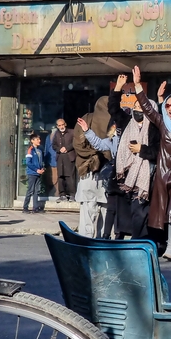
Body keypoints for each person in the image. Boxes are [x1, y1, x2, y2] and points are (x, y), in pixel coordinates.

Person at [132, 66, 171, 261]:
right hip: (163, 172)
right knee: (162, 211)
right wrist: (137, 85)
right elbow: (148, 109)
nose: (169, 109)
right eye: (167, 106)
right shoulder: (163, 124)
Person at [111, 74, 160, 240]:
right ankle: (136, 238)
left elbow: (157, 151)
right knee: (133, 211)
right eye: (135, 106)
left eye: (141, 107)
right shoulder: (127, 122)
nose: (137, 110)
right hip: (128, 177)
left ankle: (139, 240)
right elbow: (114, 109)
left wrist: (142, 149)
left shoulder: (154, 128)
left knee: (141, 210)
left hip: (147, 176)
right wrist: (118, 87)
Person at [72, 97, 111, 238]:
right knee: (102, 208)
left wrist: (92, 155)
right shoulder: (113, 123)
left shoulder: (87, 119)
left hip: (89, 170)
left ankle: (86, 238)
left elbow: (77, 144)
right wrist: (97, 156)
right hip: (100, 171)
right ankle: (100, 239)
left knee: (89, 208)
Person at [78, 116, 120, 239]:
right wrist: (87, 131)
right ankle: (106, 236)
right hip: (114, 176)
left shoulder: (128, 135)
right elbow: (99, 144)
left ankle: (114, 235)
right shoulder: (112, 140)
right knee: (110, 209)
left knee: (113, 209)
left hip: (128, 176)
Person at [52, 118, 76, 201]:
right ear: (57, 126)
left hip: (69, 156)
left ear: (65, 124)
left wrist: (67, 148)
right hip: (60, 157)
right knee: (60, 176)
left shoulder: (71, 132)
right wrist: (59, 149)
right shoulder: (56, 134)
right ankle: (62, 194)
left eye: (62, 124)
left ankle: (72, 194)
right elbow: (54, 145)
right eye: (59, 125)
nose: (61, 126)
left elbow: (75, 143)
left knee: (70, 176)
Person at [23, 133, 45, 214]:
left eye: (39, 139)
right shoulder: (30, 150)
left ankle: (35, 207)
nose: (39, 141)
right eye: (37, 139)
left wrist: (42, 168)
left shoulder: (39, 150)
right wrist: (36, 170)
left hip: (38, 173)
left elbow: (41, 161)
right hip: (32, 173)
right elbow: (28, 163)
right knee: (30, 190)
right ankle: (25, 207)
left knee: (37, 191)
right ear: (32, 141)